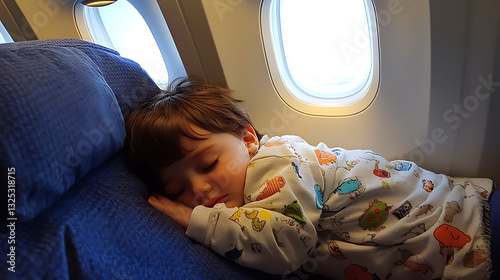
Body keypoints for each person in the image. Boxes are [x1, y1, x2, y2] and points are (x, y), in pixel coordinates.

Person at [125, 78, 495, 279]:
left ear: (247, 139)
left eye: (207, 166)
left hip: (469, 227)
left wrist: (199, 220)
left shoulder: (273, 164)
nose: (201, 191)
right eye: (178, 190)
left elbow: (286, 244)